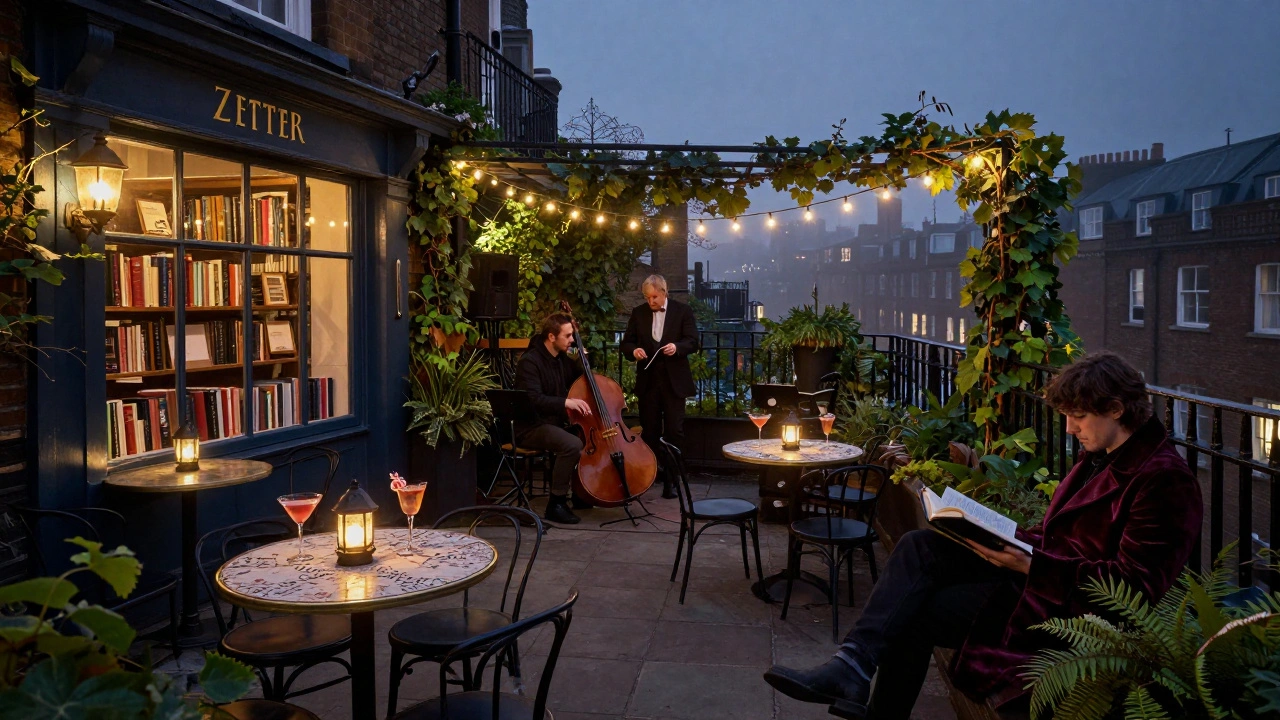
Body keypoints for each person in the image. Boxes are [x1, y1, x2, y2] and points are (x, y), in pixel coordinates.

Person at [763, 352, 1203, 719]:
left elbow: (1134, 589)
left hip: (1067, 611)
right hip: (1034, 577)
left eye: (1078, 417)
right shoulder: (1104, 455)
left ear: (1117, 409)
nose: (1070, 429)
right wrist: (995, 531)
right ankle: (852, 664)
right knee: (920, 545)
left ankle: (857, 680)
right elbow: (1061, 535)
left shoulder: (1164, 479)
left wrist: (1033, 563)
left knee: (914, 613)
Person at [620, 275, 699, 498]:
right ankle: (651, 474)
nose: (651, 301)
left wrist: (677, 347)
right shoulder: (638, 313)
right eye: (647, 297)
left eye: (654, 296)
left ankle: (672, 480)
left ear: (664, 292)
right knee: (650, 431)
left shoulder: (682, 311)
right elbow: (626, 343)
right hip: (648, 382)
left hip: (674, 382)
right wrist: (633, 351)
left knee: (675, 430)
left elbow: (693, 340)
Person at [514, 313, 592, 525]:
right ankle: (556, 503)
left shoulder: (560, 359)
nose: (571, 340)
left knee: (585, 437)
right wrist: (565, 403)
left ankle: (579, 493)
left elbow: (576, 377)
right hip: (531, 426)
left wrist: (583, 359)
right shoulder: (530, 362)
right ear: (551, 336)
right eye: (567, 336)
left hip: (552, 423)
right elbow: (533, 399)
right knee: (571, 444)